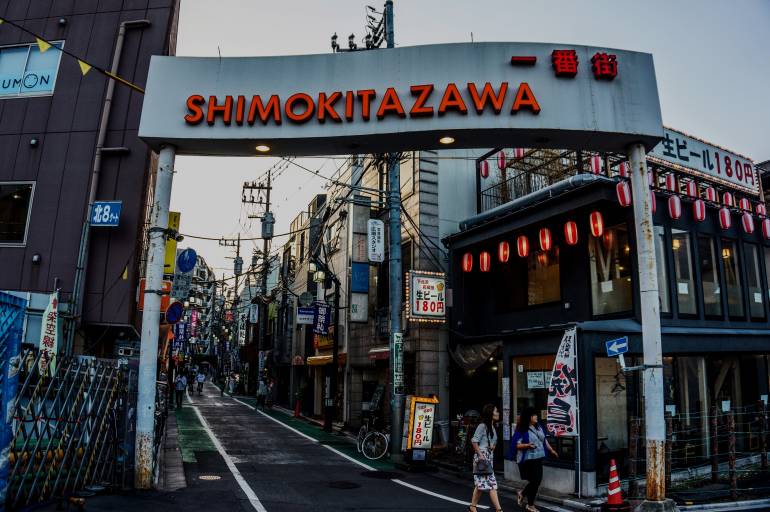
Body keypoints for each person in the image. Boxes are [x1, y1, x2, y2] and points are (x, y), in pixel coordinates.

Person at [509, 407, 558, 512]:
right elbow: (517, 445)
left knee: (537, 481)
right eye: (534, 415)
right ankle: (530, 505)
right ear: (528, 417)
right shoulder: (522, 429)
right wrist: (527, 445)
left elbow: (544, 440)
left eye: (536, 415)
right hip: (528, 459)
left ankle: (522, 494)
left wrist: (551, 450)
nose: (536, 417)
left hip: (538, 457)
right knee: (535, 481)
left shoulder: (538, 427)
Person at [468, 404, 502, 512]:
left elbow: (493, 443)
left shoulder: (492, 427)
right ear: (490, 413)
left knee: (480, 485)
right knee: (492, 484)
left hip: (488, 458)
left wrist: (492, 447)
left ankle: (472, 507)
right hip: (482, 458)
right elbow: (474, 441)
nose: (498, 413)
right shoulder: (482, 426)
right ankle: (499, 510)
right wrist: (481, 455)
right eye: (496, 411)